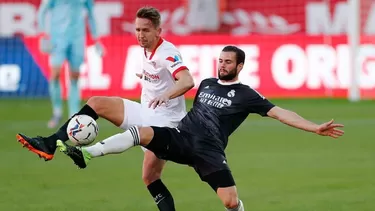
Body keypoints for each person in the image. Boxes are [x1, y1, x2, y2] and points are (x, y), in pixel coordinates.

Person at [57, 45, 344, 211]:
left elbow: (281, 113)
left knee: (230, 202)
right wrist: (148, 76)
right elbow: (171, 83)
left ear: (239, 66)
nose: (222, 65)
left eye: (228, 62)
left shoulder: (247, 95)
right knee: (142, 134)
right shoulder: (206, 83)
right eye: (220, 60)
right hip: (182, 137)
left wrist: (313, 127)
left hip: (209, 151)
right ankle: (86, 154)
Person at [17, 7, 195, 211]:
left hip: (165, 125)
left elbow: (187, 81)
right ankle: (49, 143)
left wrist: (166, 94)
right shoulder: (146, 48)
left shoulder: (167, 52)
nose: (140, 35)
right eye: (137, 29)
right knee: (96, 102)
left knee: (150, 177)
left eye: (145, 30)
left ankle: (86, 154)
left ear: (158, 31)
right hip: (145, 113)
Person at [37, 0, 102, 128]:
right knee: (55, 74)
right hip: (57, 39)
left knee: (75, 76)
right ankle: (57, 112)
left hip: (77, 38)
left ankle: (73, 115)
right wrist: (43, 33)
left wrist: (96, 39)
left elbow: (91, 15)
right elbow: (41, 12)